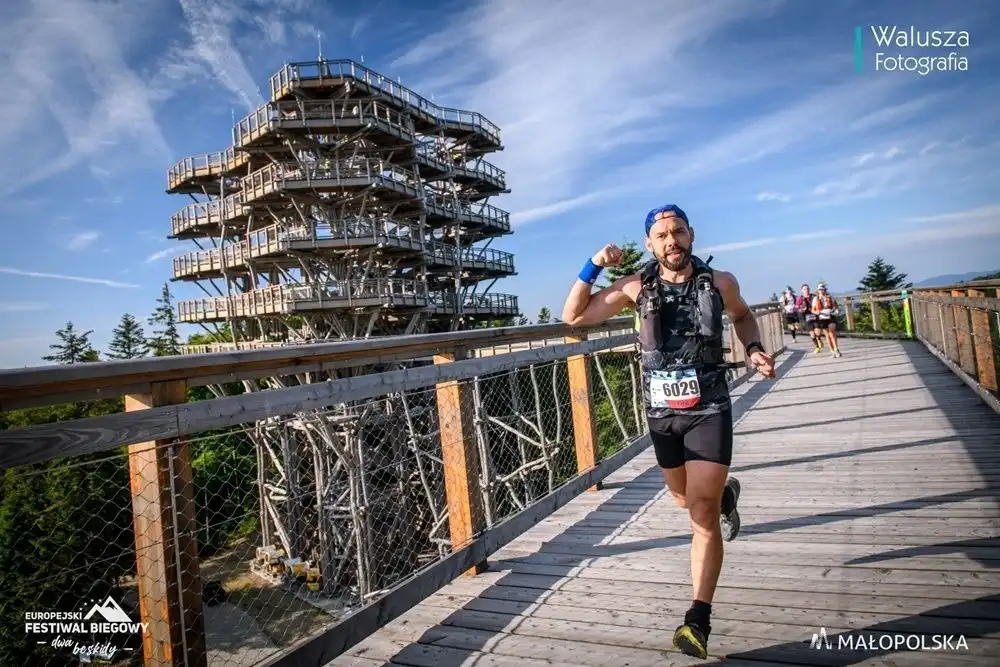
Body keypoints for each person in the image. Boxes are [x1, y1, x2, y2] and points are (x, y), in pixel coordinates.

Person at [561, 203, 776, 659]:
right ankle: (724, 497)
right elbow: (573, 318)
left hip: (709, 408)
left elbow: (742, 316)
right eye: (662, 235)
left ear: (692, 235)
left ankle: (697, 620)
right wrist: (594, 264)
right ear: (649, 244)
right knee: (683, 499)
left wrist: (754, 346)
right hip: (662, 415)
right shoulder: (635, 287)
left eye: (678, 231)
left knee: (699, 512)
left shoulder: (721, 283)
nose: (671, 241)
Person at [812, 282, 842, 357]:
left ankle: (836, 349)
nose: (822, 291)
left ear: (825, 290)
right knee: (827, 335)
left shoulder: (830, 297)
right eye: (820, 290)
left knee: (832, 333)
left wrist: (836, 311)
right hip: (822, 318)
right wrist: (817, 312)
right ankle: (832, 351)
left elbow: (836, 306)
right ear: (818, 291)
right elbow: (813, 310)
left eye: (823, 290)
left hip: (830, 316)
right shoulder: (815, 299)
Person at [796, 284, 822, 352]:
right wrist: (801, 310)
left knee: (818, 332)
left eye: (807, 289)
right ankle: (817, 347)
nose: (806, 290)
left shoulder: (813, 296)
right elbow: (797, 308)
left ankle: (819, 340)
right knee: (812, 334)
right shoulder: (800, 299)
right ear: (802, 291)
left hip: (815, 315)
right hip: (807, 317)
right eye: (804, 289)